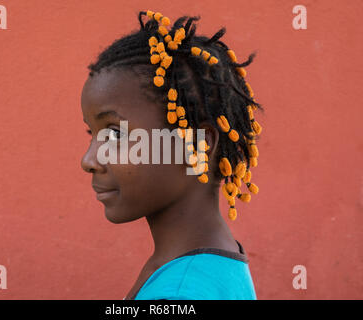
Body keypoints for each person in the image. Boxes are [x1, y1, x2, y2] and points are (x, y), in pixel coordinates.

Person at [80, 10, 263, 300]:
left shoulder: (181, 292)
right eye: (93, 134)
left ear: (197, 145)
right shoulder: (208, 264)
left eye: (115, 134)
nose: (88, 161)